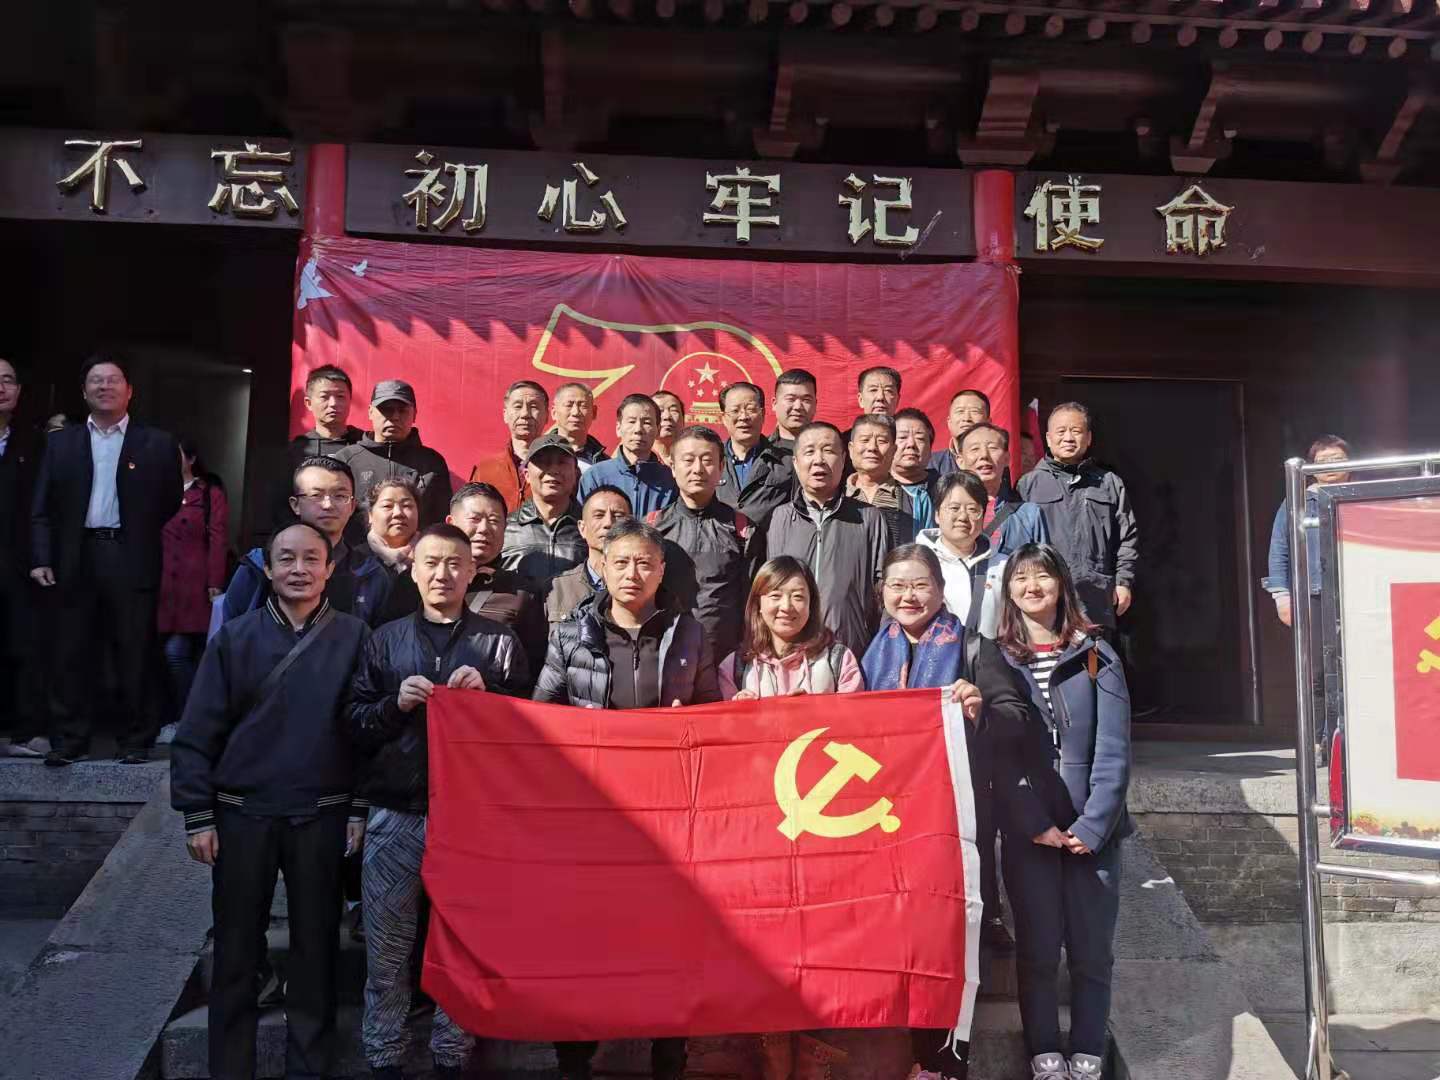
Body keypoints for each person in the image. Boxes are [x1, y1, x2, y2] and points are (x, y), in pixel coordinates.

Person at [170, 521, 370, 1080]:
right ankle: (230, 1069)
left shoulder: (355, 637)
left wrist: (358, 808)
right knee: (236, 952)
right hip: (241, 815)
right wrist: (198, 815)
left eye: (311, 558)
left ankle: (308, 1068)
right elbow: (196, 732)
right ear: (268, 567)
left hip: (322, 814)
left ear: (330, 568)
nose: (298, 569)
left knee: (315, 950)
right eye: (286, 559)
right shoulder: (235, 639)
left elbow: (365, 732)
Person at [532, 516, 717, 1080]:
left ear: (661, 571)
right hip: (592, 815)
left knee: (670, 941)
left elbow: (713, 715)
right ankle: (575, 1059)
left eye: (644, 563)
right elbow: (542, 717)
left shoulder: (688, 634)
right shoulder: (571, 634)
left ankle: (669, 1057)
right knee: (582, 940)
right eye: (621, 562)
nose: (632, 573)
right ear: (602, 568)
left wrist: (692, 725)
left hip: (667, 817)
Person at [348, 524, 530, 1080]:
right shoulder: (383, 640)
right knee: (387, 949)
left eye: (454, 563)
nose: (442, 574)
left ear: (472, 571)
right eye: (430, 562)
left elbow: (529, 735)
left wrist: (491, 700)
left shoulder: (500, 642)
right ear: (413, 569)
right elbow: (353, 724)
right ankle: (385, 1055)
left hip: (473, 822)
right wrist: (393, 706)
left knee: (463, 946)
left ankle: (453, 1055)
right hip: (396, 814)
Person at [860, 543, 1032, 1080]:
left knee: (948, 939)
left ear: (939, 590)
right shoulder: (870, 654)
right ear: (883, 593)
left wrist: (980, 708)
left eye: (920, 585)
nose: (908, 596)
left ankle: (944, 1061)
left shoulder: (974, 647)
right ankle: (909, 1053)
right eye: (897, 586)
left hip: (954, 819)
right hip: (889, 822)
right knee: (902, 938)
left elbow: (1017, 716)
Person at [992, 543, 1132, 1080]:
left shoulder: (1096, 653)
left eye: (1043, 577)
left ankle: (1089, 1049)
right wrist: (1033, 824)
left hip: (1094, 833)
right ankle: (1045, 1051)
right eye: (1021, 578)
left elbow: (1114, 748)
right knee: (1038, 950)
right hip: (1031, 832)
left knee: (1092, 952)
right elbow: (1000, 756)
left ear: (1061, 585)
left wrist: (1093, 825)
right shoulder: (998, 658)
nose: (1032, 587)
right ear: (1008, 589)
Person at [30, 354, 183, 766]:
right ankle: (70, 740)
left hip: (128, 554)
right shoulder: (61, 443)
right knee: (71, 651)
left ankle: (135, 740)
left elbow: (170, 500)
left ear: (129, 390)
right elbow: (42, 506)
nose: (104, 387)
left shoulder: (157, 443)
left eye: (113, 380)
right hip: (74, 556)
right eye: (96, 381)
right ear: (84, 391)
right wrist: (42, 557)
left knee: (134, 650)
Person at [223, 457, 395, 628]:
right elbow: (231, 636)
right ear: (295, 505)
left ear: (352, 506)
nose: (328, 505)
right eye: (316, 495)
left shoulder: (370, 574)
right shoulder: (258, 567)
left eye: (340, 496)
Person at [765, 422, 887, 658]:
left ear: (843, 460)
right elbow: (771, 587)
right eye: (809, 451)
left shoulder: (869, 517)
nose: (818, 460)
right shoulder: (780, 517)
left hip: (851, 650)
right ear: (796, 462)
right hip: (791, 651)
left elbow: (882, 590)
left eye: (828, 451)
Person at [1263, 434, 1350, 758]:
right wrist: (1282, 597)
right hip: (1314, 595)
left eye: (1337, 459)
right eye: (1323, 461)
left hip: (1355, 592)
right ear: (1311, 467)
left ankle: (1346, 739)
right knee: (1317, 672)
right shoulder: (1297, 502)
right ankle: (1319, 740)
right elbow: (1279, 551)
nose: (1330, 466)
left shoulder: (1362, 496)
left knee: (1354, 668)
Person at [1017, 403, 1138, 633]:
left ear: (1089, 438)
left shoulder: (1109, 483)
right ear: (1048, 438)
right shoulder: (1028, 485)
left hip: (1095, 596)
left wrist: (1123, 581)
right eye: (1061, 431)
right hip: (1044, 596)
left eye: (1076, 431)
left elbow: (1127, 537)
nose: (1068, 438)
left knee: (1093, 654)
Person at [649, 425, 754, 663]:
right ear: (673, 467)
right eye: (688, 460)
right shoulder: (654, 527)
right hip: (665, 655)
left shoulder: (742, 528)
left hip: (726, 659)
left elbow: (752, 599)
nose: (698, 469)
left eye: (707, 460)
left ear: (721, 467)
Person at [157, 437, 229, 733]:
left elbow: (218, 539)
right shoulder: (157, 491)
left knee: (178, 652)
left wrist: (215, 581)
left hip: (194, 586)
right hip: (160, 584)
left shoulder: (209, 493)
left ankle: (189, 720)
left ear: (191, 459)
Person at [719, 555, 863, 700]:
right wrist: (740, 709)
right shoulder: (734, 667)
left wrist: (814, 708)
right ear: (758, 604)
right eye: (775, 596)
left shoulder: (838, 659)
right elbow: (722, 714)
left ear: (811, 604)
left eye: (798, 596)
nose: (786, 607)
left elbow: (854, 712)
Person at [447, 481, 547, 674]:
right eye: (475, 519)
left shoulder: (522, 594)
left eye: (494, 520)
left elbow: (531, 672)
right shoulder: (421, 582)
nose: (484, 528)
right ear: (451, 523)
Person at [331, 379, 454, 527]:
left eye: (402, 410)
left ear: (414, 414)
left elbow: (441, 521)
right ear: (370, 412)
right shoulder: (346, 460)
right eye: (386, 410)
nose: (395, 417)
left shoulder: (432, 462)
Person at [0, 357, 44, 757]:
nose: (1, 388)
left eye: (8, 380)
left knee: (21, 646)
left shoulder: (33, 443)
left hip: (16, 563)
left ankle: (19, 732)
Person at [917, 471, 1008, 639]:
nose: (963, 517)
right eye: (954, 508)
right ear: (937, 514)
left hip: (988, 654)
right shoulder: (916, 563)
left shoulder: (1003, 566)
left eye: (973, 509)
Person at [501, 441, 586, 588]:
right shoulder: (505, 528)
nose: (553, 470)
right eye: (543, 462)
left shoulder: (590, 527)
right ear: (526, 475)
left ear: (576, 473)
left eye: (562, 462)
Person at [955, 422, 1048, 556]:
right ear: (960, 461)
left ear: (1006, 458)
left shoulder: (1029, 514)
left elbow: (1042, 563)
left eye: (992, 448)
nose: (984, 455)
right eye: (975, 449)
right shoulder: (948, 510)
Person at [579, 393, 677, 516]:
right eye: (631, 421)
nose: (638, 430)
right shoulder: (596, 476)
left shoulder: (670, 479)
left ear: (657, 429)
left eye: (647, 423)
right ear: (618, 428)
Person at [546, 485, 632, 625]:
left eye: (618, 515)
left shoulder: (642, 587)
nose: (608, 523)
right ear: (582, 528)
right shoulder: (555, 589)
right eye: (599, 515)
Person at [714, 382, 794, 531]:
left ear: (763, 414)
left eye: (751, 409)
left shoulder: (787, 462)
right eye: (735, 410)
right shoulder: (711, 460)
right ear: (723, 418)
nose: (743, 417)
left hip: (769, 544)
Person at [469, 379, 548, 513]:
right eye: (518, 406)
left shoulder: (561, 468)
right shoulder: (485, 470)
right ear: (505, 414)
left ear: (546, 415)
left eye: (534, 406)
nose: (525, 414)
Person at [846, 412, 911, 548]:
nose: (872, 448)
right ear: (851, 449)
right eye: (865, 440)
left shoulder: (913, 500)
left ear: (893, 450)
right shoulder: (835, 495)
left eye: (881, 441)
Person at [290, 365, 364, 464]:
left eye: (340, 396)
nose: (333, 403)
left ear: (350, 400)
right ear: (309, 403)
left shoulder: (365, 444)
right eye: (324, 396)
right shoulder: (296, 451)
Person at [532, 381, 608, 469]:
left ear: (594, 412)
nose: (575, 412)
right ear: (554, 412)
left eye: (583, 406)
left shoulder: (604, 463)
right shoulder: (539, 454)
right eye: (568, 405)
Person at [893, 407, 940, 537]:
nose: (911, 444)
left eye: (920, 438)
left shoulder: (947, 489)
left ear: (930, 449)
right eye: (902, 437)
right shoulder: (875, 489)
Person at [367, 477, 421, 576]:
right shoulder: (356, 560)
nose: (398, 513)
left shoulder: (433, 555)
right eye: (387, 506)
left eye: (407, 505)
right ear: (370, 515)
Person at [932, 389, 991, 475]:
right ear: (949, 422)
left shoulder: (996, 460)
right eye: (960, 411)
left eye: (975, 411)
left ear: (988, 423)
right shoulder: (932, 463)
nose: (966, 418)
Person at [770, 368, 818, 451]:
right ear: (774, 404)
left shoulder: (833, 449)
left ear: (815, 404)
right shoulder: (759, 451)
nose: (798, 407)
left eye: (806, 400)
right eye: (790, 399)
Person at [651, 390, 685, 467]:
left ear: (683, 420)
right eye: (660, 411)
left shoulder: (692, 460)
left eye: (674, 410)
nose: (667, 416)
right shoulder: (639, 459)